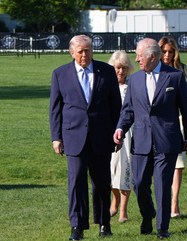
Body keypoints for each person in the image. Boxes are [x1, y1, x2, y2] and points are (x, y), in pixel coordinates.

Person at [113, 38, 187, 239]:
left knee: (162, 185)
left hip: (166, 141)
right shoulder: (135, 80)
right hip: (141, 141)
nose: (137, 59)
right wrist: (120, 129)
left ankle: (162, 228)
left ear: (152, 56)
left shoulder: (175, 77)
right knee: (140, 184)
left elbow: (186, 108)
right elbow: (128, 111)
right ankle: (148, 215)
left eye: (140, 56)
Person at [51, 35, 123, 239]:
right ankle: (77, 226)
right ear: (72, 52)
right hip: (73, 136)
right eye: (80, 51)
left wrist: (119, 133)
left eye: (88, 50)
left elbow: (116, 106)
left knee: (101, 182)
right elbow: (55, 109)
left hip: (102, 136)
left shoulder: (107, 72)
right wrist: (56, 137)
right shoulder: (60, 74)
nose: (85, 54)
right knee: (76, 182)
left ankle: (104, 224)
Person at [158, 37, 187, 218]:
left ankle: (174, 202)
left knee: (178, 164)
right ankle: (162, 201)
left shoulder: (182, 70)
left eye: (171, 51)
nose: (167, 55)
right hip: (161, 123)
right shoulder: (154, 69)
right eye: (164, 51)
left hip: (180, 122)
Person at [107, 50, 133, 223]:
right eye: (117, 68)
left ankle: (123, 208)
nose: (120, 72)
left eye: (124, 68)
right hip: (109, 131)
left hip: (129, 134)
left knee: (125, 169)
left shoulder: (132, 85)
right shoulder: (106, 85)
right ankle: (114, 201)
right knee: (110, 169)